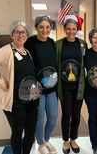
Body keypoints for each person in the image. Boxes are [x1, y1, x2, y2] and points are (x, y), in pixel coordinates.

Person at [0, 20, 39, 154]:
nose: (20, 34)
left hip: (31, 100)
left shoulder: (27, 52)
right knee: (17, 133)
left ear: (27, 34)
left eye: (23, 32)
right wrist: (0, 82)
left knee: (30, 133)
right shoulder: (6, 51)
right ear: (12, 34)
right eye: (17, 31)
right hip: (15, 102)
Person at [24, 16, 58, 154]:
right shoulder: (30, 42)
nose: (45, 30)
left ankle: (47, 139)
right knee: (39, 118)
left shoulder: (51, 42)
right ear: (36, 27)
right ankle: (40, 143)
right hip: (36, 88)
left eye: (48, 27)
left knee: (53, 117)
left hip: (51, 87)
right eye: (42, 27)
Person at [55, 16, 87, 154]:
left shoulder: (83, 44)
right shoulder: (58, 44)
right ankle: (66, 140)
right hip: (64, 87)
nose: (71, 31)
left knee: (76, 114)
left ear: (77, 29)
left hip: (78, 87)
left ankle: (73, 138)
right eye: (68, 28)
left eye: (74, 29)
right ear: (64, 29)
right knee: (66, 114)